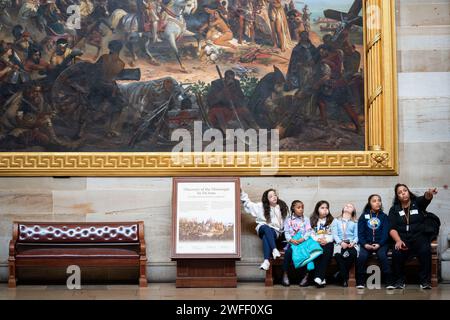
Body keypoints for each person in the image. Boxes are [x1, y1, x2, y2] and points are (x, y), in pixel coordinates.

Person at [389, 184, 438, 290]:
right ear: (397, 196)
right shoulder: (394, 209)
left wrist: (429, 193)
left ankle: (425, 281)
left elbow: (426, 199)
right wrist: (398, 241)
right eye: (400, 192)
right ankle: (399, 281)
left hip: (419, 238)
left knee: (425, 250)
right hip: (402, 239)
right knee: (396, 252)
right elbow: (392, 228)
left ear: (408, 192)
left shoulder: (417, 203)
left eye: (405, 190)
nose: (403, 193)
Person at [241, 188, 289, 271]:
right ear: (267, 199)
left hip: (275, 232)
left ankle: (266, 261)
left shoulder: (281, 207)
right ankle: (274, 249)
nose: (274, 197)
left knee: (265, 237)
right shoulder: (261, 206)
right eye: (271, 196)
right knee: (266, 227)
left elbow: (286, 224)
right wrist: (241, 192)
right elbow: (248, 203)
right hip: (262, 228)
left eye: (275, 195)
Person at [356, 194, 394, 289]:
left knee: (382, 256)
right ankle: (360, 281)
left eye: (379, 200)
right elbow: (360, 233)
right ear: (369, 203)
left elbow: (386, 233)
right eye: (374, 201)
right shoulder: (364, 216)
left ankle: (389, 282)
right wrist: (364, 244)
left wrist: (379, 244)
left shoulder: (384, 216)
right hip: (367, 244)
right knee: (362, 256)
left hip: (381, 244)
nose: (377, 202)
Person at [282, 200, 322, 287]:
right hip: (292, 242)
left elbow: (308, 232)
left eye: (302, 207)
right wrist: (292, 240)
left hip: (303, 242)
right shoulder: (288, 220)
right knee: (288, 253)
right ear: (293, 208)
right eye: (298, 207)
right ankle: (285, 274)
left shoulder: (306, 219)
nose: (301, 209)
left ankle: (306, 276)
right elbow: (286, 233)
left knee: (308, 254)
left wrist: (302, 239)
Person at [332, 203, 359, 287]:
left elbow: (357, 236)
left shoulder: (355, 222)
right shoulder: (336, 220)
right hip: (339, 243)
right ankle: (344, 278)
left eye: (350, 206)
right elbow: (334, 234)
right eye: (346, 205)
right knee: (338, 255)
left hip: (351, 242)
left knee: (353, 254)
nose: (347, 206)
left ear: (353, 211)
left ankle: (340, 274)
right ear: (343, 208)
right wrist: (341, 242)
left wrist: (353, 243)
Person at [310, 200, 334, 287]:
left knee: (326, 252)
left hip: (328, 243)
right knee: (317, 253)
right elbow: (311, 234)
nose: (325, 210)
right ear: (317, 209)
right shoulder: (312, 220)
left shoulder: (331, 220)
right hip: (316, 242)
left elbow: (333, 235)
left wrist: (326, 240)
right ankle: (321, 278)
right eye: (322, 208)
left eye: (327, 208)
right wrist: (318, 239)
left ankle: (318, 277)